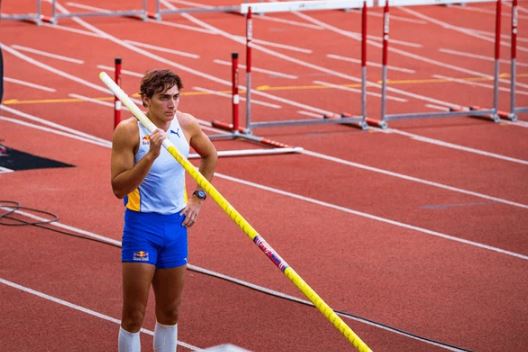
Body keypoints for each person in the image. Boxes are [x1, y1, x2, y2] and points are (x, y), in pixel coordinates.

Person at [111, 69, 217, 352]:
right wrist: (151, 156)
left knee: (170, 313)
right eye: (164, 98)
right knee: (133, 316)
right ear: (146, 100)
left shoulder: (186, 124)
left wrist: (198, 197)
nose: (172, 104)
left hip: (175, 228)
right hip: (141, 227)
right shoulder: (129, 131)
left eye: (176, 96)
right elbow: (119, 187)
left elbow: (210, 155)